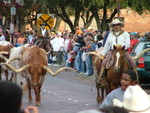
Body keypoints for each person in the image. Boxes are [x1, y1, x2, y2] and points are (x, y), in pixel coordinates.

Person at [99, 19, 139, 83]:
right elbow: (107, 45)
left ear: (120, 26)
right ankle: (102, 78)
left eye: (118, 25)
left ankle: (135, 80)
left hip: (123, 51)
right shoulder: (110, 34)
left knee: (133, 63)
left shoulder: (125, 34)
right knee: (104, 63)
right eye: (114, 25)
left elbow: (128, 44)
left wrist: (121, 46)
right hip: (112, 52)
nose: (116, 26)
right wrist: (103, 54)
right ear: (113, 26)